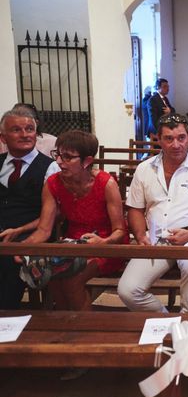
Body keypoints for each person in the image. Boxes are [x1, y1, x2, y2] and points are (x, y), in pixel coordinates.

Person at [118, 113, 188, 313]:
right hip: (157, 239)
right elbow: (135, 208)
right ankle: (165, 320)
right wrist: (141, 235)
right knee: (128, 290)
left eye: (181, 138)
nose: (176, 144)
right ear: (158, 140)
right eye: (168, 139)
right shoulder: (144, 169)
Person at [21, 130, 128, 311]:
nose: (59, 162)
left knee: (72, 281)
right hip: (73, 244)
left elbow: (120, 230)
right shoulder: (53, 183)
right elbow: (44, 230)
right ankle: (67, 325)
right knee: (52, 279)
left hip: (105, 245)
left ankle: (86, 331)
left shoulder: (106, 183)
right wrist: (22, 247)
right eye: (58, 155)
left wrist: (103, 242)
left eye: (68, 157)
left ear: (87, 161)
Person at [0, 108, 59, 309]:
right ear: (3, 137)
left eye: (29, 129)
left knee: (8, 262)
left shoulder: (49, 167)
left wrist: (19, 231)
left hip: (33, 234)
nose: (25, 135)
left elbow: (52, 215)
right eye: (16, 130)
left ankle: (5, 317)